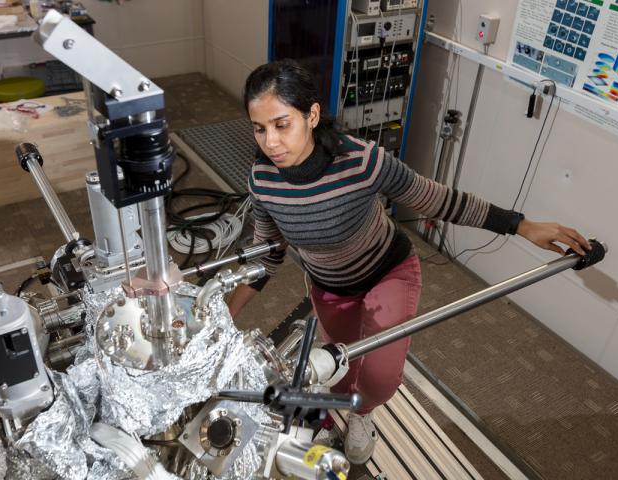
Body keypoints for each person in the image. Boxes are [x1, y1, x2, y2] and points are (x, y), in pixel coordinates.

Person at [228, 59, 590, 464]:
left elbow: (439, 200)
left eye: (282, 124)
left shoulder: (362, 162)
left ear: (311, 115)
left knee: (380, 379)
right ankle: (335, 409)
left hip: (389, 273)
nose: (270, 142)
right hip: (329, 286)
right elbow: (270, 251)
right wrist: (227, 310)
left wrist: (520, 225)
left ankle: (362, 413)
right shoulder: (262, 180)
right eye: (259, 128)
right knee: (337, 369)